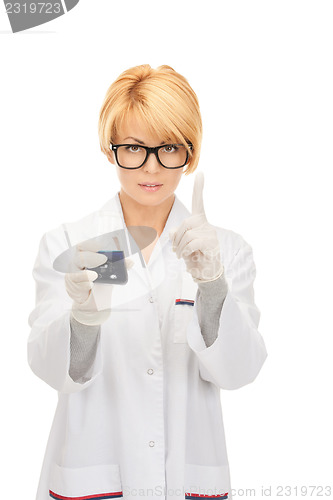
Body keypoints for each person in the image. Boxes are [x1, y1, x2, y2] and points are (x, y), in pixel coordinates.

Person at [28, 64, 267, 500]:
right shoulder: (70, 243)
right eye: (134, 147)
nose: (151, 167)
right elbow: (52, 370)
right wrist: (83, 318)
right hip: (93, 476)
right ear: (110, 149)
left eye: (169, 147)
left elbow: (240, 371)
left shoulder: (226, 251)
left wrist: (212, 285)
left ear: (190, 154)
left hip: (187, 479)